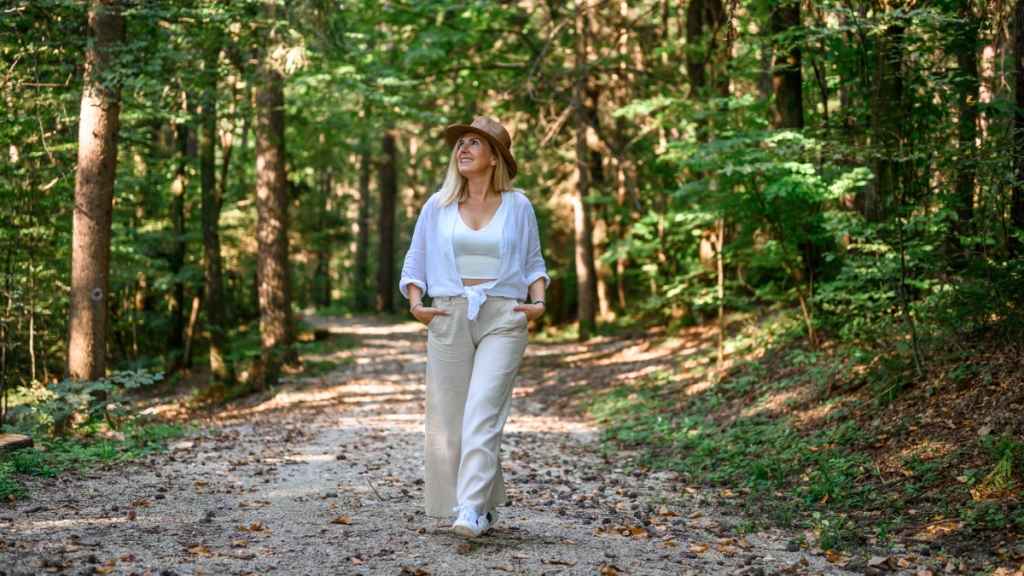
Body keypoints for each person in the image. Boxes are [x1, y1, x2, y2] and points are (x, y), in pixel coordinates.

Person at [398, 116, 549, 538]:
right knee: (449, 419)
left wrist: (538, 302)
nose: (463, 149)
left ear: (494, 157)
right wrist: (416, 304)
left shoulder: (518, 206)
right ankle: (479, 501)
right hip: (448, 314)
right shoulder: (438, 205)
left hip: (504, 316)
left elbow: (534, 261)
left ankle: (470, 509)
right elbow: (416, 260)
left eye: (474, 144)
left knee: (483, 410)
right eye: (460, 143)